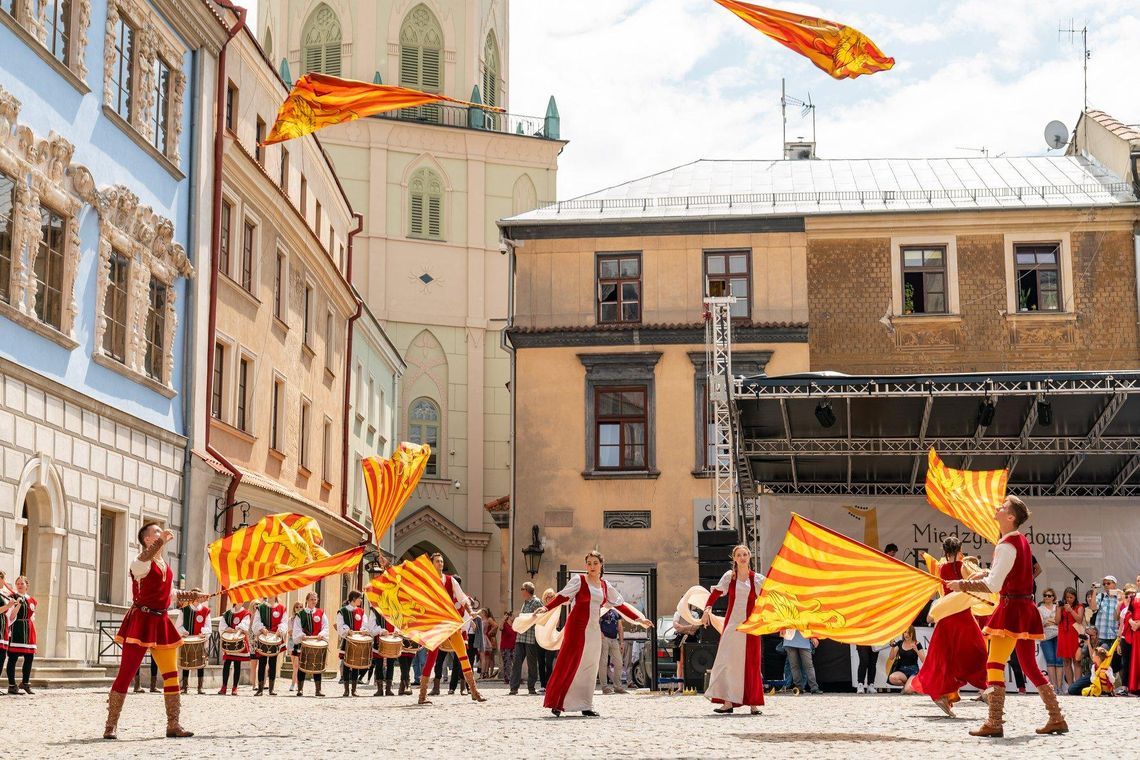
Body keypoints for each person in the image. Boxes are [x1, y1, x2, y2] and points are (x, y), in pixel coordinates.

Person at [948, 495, 1068, 737]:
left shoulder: (1006, 545)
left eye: (1002, 507)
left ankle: (994, 722)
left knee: (994, 664)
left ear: (1011, 517)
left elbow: (994, 586)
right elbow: (1003, 576)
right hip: (1024, 607)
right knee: (1030, 666)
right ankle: (1056, 718)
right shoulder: (1019, 541)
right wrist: (982, 574)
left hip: (1012, 610)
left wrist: (962, 584)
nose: (997, 508)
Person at [103, 523, 206, 739]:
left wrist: (193, 596)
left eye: (161, 532)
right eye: (156, 532)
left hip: (161, 621)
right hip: (141, 621)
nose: (161, 534)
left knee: (171, 675)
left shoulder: (165, 566)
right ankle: (110, 725)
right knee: (126, 673)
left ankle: (173, 724)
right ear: (147, 539)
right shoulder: (139, 563)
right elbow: (142, 561)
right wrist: (162, 540)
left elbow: (171, 595)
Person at [536, 551, 652, 717]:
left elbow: (620, 605)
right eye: (589, 563)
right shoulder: (579, 580)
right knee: (569, 664)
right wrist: (547, 607)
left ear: (601, 565)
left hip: (593, 630)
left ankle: (585, 704)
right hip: (576, 628)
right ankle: (557, 703)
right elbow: (562, 596)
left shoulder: (605, 586)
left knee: (590, 667)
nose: (591, 566)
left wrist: (639, 619)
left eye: (595, 563)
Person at [912, 536, 987, 716]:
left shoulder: (940, 569)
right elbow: (972, 581)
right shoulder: (963, 565)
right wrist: (983, 573)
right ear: (960, 549)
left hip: (946, 616)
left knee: (944, 657)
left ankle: (944, 696)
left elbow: (938, 574)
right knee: (978, 650)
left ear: (944, 551)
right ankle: (987, 688)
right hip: (961, 615)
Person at [701, 544, 765, 714]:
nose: (742, 557)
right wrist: (707, 608)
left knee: (752, 663)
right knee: (726, 662)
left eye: (745, 554)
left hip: (751, 627)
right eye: (739, 555)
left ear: (749, 556)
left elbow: (772, 599)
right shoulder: (729, 577)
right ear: (734, 558)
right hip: (732, 626)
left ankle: (753, 704)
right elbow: (715, 594)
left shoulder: (757, 579)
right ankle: (727, 702)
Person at [417, 553, 485, 704]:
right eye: (437, 561)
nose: (440, 563)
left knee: (463, 655)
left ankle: (474, 691)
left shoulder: (450, 580)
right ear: (431, 563)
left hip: (451, 622)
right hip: (436, 623)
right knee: (432, 658)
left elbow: (463, 598)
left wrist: (470, 611)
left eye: (441, 561)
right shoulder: (427, 581)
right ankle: (422, 695)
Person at [1, 576, 37, 695]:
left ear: (27, 585)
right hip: (16, 629)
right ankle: (12, 685)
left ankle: (25, 683)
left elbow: (32, 616)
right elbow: (11, 616)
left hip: (29, 629)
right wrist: (19, 604)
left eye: (22, 583)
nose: (20, 585)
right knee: (13, 658)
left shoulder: (32, 600)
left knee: (29, 658)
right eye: (18, 583)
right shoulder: (12, 597)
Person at [172, 592, 210, 695]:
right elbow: (178, 626)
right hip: (187, 639)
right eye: (197, 597)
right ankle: (184, 686)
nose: (198, 599)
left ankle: (200, 687)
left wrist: (204, 632)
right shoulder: (184, 610)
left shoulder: (205, 611)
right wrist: (183, 631)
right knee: (186, 663)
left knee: (200, 663)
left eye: (199, 597)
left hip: (199, 639)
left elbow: (208, 626)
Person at [251, 595, 288, 696]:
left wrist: (280, 631)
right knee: (262, 663)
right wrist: (262, 629)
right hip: (263, 637)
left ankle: (271, 689)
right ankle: (260, 689)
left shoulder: (281, 608)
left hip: (275, 638)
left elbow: (284, 622)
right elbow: (256, 622)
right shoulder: (261, 608)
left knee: (273, 663)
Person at [510, 582, 542, 695]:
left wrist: (529, 619)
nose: (521, 591)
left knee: (531, 663)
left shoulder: (536, 602)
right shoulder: (525, 602)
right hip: (521, 636)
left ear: (527, 590)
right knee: (516, 662)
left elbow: (540, 617)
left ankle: (531, 687)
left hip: (531, 637)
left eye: (522, 589)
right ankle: (513, 688)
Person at [293, 591, 328, 697]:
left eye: (315, 599)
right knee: (302, 665)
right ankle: (300, 689)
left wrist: (322, 634)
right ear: (307, 600)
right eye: (312, 599)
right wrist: (301, 635)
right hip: (305, 643)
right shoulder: (300, 614)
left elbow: (325, 627)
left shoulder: (321, 613)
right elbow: (297, 628)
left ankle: (318, 690)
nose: (314, 601)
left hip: (317, 643)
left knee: (317, 665)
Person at [336, 590, 369, 697]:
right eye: (360, 598)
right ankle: (346, 690)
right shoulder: (342, 611)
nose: (361, 600)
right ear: (354, 599)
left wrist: (364, 630)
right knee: (346, 664)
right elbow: (340, 626)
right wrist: (347, 630)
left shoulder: (361, 611)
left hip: (358, 640)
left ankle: (354, 690)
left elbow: (365, 624)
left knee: (356, 664)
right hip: (347, 640)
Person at [218, 599, 251, 695]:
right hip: (229, 642)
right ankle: (224, 687)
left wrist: (237, 630)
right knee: (227, 664)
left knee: (237, 664)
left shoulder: (246, 613)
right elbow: (222, 626)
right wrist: (230, 630)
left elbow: (244, 625)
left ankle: (235, 688)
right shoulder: (227, 614)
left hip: (239, 641)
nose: (241, 601)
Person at [1056, 587, 1083, 691]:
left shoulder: (1079, 606)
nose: (1069, 599)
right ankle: (1071, 687)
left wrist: (1071, 610)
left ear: (1075, 597)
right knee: (1066, 661)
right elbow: (1057, 621)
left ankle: (1077, 686)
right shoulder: (1061, 607)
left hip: (1075, 635)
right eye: (1067, 597)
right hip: (1063, 634)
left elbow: (1079, 620)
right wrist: (1058, 609)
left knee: (1077, 661)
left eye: (1071, 597)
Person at [886, 626, 925, 693]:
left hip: (913, 671)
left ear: (913, 633)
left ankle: (910, 686)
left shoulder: (917, 643)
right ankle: (907, 685)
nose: (906, 635)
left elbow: (923, 660)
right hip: (902, 671)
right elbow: (891, 657)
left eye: (908, 633)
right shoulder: (900, 643)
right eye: (905, 632)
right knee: (892, 678)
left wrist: (916, 650)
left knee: (907, 690)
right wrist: (892, 647)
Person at [597, 608, 626, 694]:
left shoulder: (617, 611)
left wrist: (621, 642)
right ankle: (604, 687)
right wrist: (600, 632)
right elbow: (595, 622)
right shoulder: (601, 609)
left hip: (614, 639)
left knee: (619, 662)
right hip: (604, 638)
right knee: (603, 662)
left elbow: (620, 627)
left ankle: (617, 686)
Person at [1038, 588, 1061, 690]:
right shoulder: (1039, 609)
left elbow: (1058, 621)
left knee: (1059, 661)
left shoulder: (1057, 607)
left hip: (1058, 634)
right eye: (1045, 595)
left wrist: (1049, 621)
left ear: (1053, 597)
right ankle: (1053, 686)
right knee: (1050, 661)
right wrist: (1052, 620)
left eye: (1049, 595)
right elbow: (1041, 623)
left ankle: (1059, 687)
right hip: (1046, 636)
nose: (1047, 597)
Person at [1121, 583, 1140, 696]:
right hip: (1135, 632)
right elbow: (1129, 612)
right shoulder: (1134, 597)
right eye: (1138, 580)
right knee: (1135, 659)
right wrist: (1131, 622)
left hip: (1138, 628)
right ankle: (1135, 687)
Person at [287, 601, 303, 692]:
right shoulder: (291, 619)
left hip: (301, 643)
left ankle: (295, 684)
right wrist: (298, 633)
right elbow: (290, 632)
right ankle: (294, 683)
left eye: (300, 607)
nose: (299, 608)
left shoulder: (304, 618)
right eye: (297, 607)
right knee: (295, 665)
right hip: (292, 642)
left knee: (298, 665)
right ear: (294, 608)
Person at [479, 608, 499, 679]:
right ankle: (485, 672)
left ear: (484, 613)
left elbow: (496, 625)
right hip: (482, 638)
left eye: (481, 612)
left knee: (487, 657)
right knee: (483, 657)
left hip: (485, 638)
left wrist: (490, 632)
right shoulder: (480, 619)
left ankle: (485, 673)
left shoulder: (488, 619)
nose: (480, 614)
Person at [500, 611, 516, 685]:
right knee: (507, 663)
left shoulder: (514, 625)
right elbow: (500, 628)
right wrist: (503, 619)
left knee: (515, 663)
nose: (514, 617)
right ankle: (507, 678)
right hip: (506, 647)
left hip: (514, 647)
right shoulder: (505, 624)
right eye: (513, 616)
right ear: (509, 617)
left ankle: (514, 678)